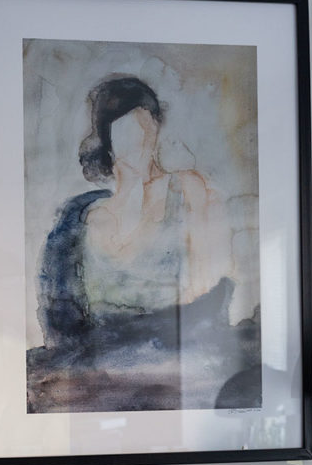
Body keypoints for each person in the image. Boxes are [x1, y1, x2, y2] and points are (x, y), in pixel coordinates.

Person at [29, 75, 260, 413]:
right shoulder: (80, 215)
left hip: (181, 363)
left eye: (145, 128)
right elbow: (60, 317)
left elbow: (212, 296)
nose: (138, 141)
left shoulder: (188, 190)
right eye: (125, 132)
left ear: (155, 129)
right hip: (97, 370)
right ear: (107, 139)